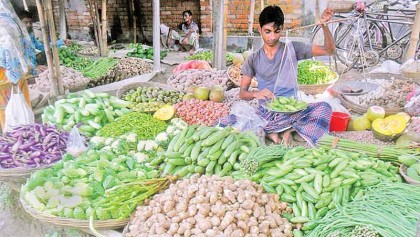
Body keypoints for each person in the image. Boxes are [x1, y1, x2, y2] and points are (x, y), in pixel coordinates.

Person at [221, 5, 335, 147]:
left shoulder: (293, 48)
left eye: (277, 31)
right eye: (267, 32)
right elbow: (243, 94)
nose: (272, 37)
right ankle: (285, 131)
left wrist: (324, 26)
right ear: (260, 30)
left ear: (282, 29)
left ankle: (275, 132)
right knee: (230, 121)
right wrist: (257, 93)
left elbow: (329, 50)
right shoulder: (253, 59)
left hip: (293, 109)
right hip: (268, 111)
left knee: (324, 108)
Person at [0, 0, 35, 130]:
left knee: (13, 107)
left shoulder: (9, 22)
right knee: (13, 107)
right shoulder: (9, 22)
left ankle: (12, 133)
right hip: (11, 73)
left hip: (10, 73)